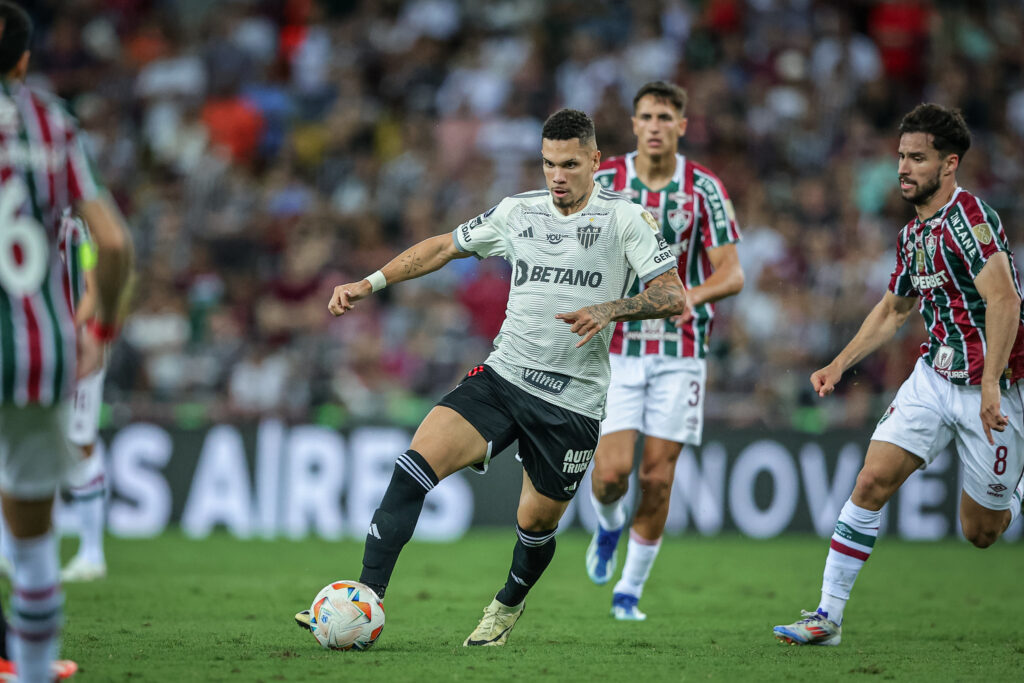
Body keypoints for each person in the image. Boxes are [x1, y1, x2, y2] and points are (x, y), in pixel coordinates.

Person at [294, 108, 686, 646]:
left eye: (570, 164)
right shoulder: (516, 212)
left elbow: (672, 295)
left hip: (572, 401)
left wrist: (611, 309)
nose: (558, 175)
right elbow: (442, 246)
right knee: (412, 468)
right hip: (503, 376)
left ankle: (506, 607)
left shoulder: (625, 219)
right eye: (549, 163)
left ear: (596, 161)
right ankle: (363, 599)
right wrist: (371, 282)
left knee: (536, 523)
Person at [773, 103, 1024, 646]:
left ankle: (1012, 490)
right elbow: (894, 310)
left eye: (917, 158)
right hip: (934, 377)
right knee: (870, 481)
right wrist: (839, 364)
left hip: (998, 388)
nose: (903, 168)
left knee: (981, 533)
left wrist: (987, 384)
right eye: (901, 157)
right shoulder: (914, 235)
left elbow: (1004, 301)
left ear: (949, 164)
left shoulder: (970, 220)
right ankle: (827, 617)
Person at [0, 3, 133, 680]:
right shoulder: (51, 124)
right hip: (38, 350)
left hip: (52, 337)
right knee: (29, 545)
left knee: (79, 452)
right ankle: (29, 668)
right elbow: (112, 241)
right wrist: (98, 326)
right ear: (23, 60)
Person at [585, 81, 743, 620]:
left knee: (657, 477)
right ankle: (608, 528)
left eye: (665, 116)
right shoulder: (604, 183)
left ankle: (629, 589)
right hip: (618, 346)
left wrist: (685, 297)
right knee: (610, 476)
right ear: (633, 125)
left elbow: (732, 272)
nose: (655, 125)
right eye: (646, 116)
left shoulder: (704, 188)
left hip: (681, 349)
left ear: (682, 123)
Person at [59, 211, 108, 583]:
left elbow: (95, 287)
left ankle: (92, 553)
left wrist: (72, 331)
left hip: (78, 346)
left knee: (80, 444)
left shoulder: (76, 233)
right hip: (31, 348)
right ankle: (9, 551)